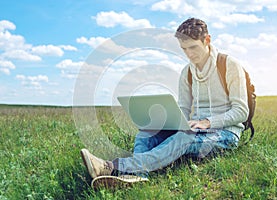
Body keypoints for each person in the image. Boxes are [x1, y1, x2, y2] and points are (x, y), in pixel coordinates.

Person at [80, 17, 249, 187]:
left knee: (185, 138)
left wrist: (207, 122)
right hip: (194, 129)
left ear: (207, 40)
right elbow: (184, 107)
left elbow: (241, 111)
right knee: (146, 133)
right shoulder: (187, 73)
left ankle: (112, 167)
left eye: (193, 47)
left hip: (225, 134)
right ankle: (139, 176)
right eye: (184, 49)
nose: (189, 54)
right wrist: (172, 123)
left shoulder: (229, 65)